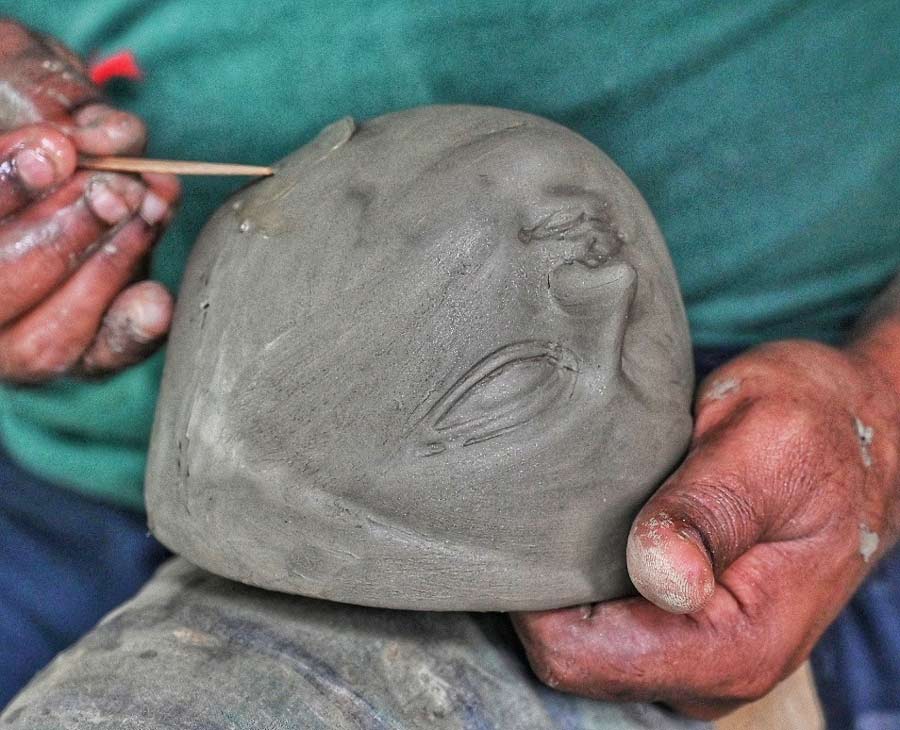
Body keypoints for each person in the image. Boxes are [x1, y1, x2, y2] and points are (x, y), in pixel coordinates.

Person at [0, 3, 897, 727]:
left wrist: (884, 407)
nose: (614, 277)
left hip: (771, 429)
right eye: (516, 380)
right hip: (67, 449)